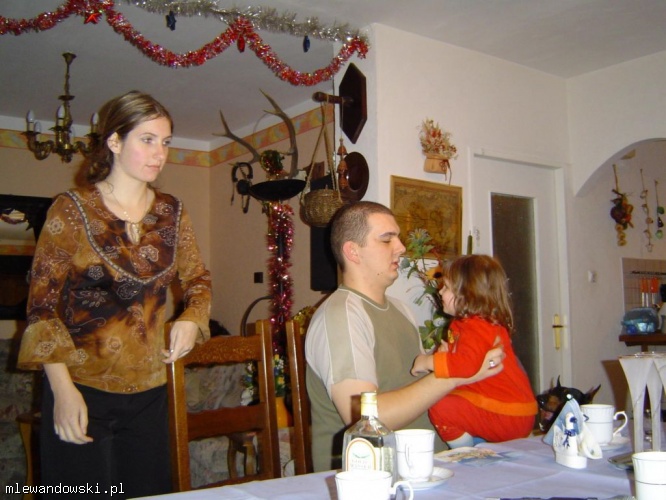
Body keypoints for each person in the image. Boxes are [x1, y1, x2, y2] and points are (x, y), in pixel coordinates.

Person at [17, 91, 212, 499]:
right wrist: (62, 391)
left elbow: (198, 279)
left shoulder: (172, 212)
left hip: (151, 394)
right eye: (147, 139)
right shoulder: (71, 209)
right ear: (115, 142)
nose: (160, 153)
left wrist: (193, 317)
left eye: (165, 141)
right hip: (81, 387)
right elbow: (41, 307)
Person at [305, 201, 505, 472]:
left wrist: (451, 359)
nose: (400, 247)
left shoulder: (400, 308)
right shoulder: (341, 316)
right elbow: (365, 419)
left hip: (436, 463)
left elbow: (418, 387)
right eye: (387, 239)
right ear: (353, 251)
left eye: (398, 238)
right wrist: (456, 373)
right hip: (376, 477)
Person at [411, 254, 537, 448]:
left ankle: (465, 453)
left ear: (467, 295)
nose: (440, 291)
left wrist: (427, 362)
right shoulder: (477, 325)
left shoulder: (475, 327)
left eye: (446, 287)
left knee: (441, 407)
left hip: (506, 413)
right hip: (511, 411)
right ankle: (478, 448)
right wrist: (445, 356)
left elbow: (467, 366)